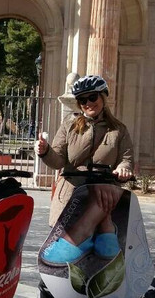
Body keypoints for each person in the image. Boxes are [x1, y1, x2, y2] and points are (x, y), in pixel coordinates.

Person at [35, 74, 134, 263]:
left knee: (104, 252)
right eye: (82, 99)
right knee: (63, 258)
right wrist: (45, 150)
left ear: (103, 97)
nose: (88, 103)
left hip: (103, 192)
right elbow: (57, 161)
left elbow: (126, 159)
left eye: (92, 97)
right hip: (71, 194)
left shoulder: (119, 130)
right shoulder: (69, 126)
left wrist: (123, 169)